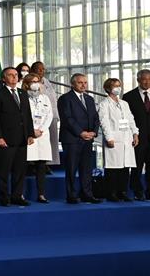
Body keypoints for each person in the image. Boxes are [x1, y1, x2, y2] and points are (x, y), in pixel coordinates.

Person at [0, 67, 34, 207]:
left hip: (22, 138)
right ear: (4, 78)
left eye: (16, 75)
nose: (14, 77)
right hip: (6, 139)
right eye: (10, 75)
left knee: (20, 171)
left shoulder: (23, 93)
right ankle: (4, 197)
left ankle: (17, 196)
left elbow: (27, 115)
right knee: (3, 170)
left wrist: (30, 134)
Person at [57, 73, 102, 204]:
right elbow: (67, 119)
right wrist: (81, 132)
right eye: (80, 82)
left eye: (85, 83)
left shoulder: (89, 99)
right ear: (73, 84)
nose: (83, 85)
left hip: (88, 139)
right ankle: (71, 195)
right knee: (71, 169)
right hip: (72, 139)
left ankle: (87, 194)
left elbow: (95, 118)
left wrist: (93, 132)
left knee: (86, 169)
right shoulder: (65, 98)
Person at [125, 69, 150, 200]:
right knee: (137, 166)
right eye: (144, 79)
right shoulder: (129, 96)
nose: (147, 82)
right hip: (137, 138)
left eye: (149, 79)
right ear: (138, 80)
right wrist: (129, 135)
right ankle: (137, 191)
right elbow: (125, 118)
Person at [97, 78, 138, 202]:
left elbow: (130, 119)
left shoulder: (124, 103)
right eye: (115, 86)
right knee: (113, 168)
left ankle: (122, 192)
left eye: (119, 85)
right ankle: (111, 193)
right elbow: (104, 122)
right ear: (108, 88)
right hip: (114, 139)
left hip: (127, 138)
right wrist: (109, 138)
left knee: (125, 167)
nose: (118, 88)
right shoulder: (104, 104)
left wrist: (135, 133)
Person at [23, 73, 56, 203]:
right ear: (26, 84)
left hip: (42, 134)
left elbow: (49, 115)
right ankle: (21, 194)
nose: (36, 83)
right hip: (29, 135)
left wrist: (41, 130)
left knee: (41, 166)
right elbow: (23, 117)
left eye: (37, 81)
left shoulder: (45, 98)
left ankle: (41, 194)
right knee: (24, 166)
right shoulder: (23, 97)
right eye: (32, 81)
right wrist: (32, 131)